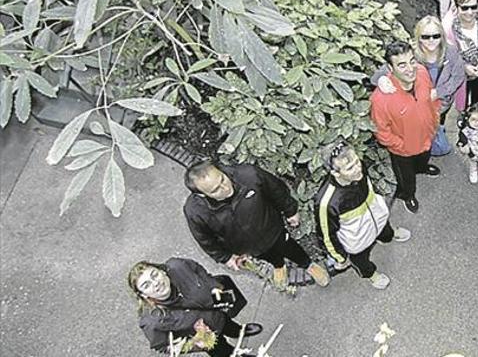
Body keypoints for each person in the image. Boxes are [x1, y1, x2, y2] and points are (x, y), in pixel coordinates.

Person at [183, 162, 330, 290]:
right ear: (202, 195)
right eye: (216, 190)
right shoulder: (196, 212)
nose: (226, 187)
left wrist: (290, 211)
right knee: (268, 256)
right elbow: (204, 240)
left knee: (290, 248)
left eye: (222, 179)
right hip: (247, 247)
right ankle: (279, 266)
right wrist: (226, 257)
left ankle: (307, 264)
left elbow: (276, 189)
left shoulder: (249, 175)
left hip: (273, 229)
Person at [314, 142, 411, 290]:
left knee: (385, 230)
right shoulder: (327, 203)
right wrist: (341, 257)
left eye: (356, 162)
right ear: (335, 173)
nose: (358, 169)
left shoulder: (360, 169)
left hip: (377, 217)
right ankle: (371, 275)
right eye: (350, 168)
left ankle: (389, 236)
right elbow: (327, 236)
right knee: (361, 261)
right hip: (357, 240)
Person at [372, 15, 466, 157]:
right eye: (425, 36)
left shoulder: (450, 52)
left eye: (436, 36)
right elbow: (379, 75)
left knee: (437, 133)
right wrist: (382, 80)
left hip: (441, 103)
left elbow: (458, 76)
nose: (431, 41)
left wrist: (438, 92)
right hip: (416, 106)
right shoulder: (411, 54)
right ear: (418, 37)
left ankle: (432, 136)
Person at [129, 257, 262, 356]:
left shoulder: (177, 266)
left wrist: (213, 286)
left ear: (162, 271)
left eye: (155, 275)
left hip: (215, 312)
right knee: (223, 352)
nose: (156, 283)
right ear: (143, 295)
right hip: (205, 337)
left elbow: (197, 269)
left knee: (228, 324)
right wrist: (193, 344)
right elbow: (163, 346)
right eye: (146, 285)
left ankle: (238, 331)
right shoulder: (151, 321)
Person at [370, 40, 441, 214]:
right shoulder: (380, 99)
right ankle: (407, 194)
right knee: (406, 178)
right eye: (402, 65)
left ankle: (422, 168)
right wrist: (401, 146)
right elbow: (382, 132)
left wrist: (435, 120)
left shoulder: (422, 73)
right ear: (390, 67)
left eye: (412, 61)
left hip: (426, 137)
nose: (410, 69)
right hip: (403, 151)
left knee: (423, 159)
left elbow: (431, 97)